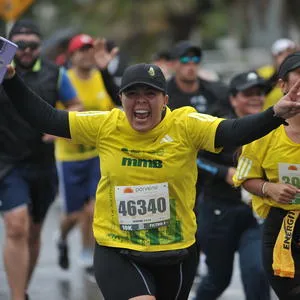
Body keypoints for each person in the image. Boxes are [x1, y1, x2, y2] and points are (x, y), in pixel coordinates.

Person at [3, 61, 300, 300]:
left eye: (150, 94)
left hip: (177, 253)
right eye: (132, 94)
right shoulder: (106, 125)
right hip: (118, 249)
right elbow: (47, 118)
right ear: (121, 99)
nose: (141, 102)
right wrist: (11, 78)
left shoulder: (186, 124)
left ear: (165, 100)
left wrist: (275, 113)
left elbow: (234, 131)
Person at [0, 19, 81, 300]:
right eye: (19, 45)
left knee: (33, 233)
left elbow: (76, 106)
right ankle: (17, 296)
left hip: (42, 163)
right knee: (16, 225)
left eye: (33, 45)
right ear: (10, 45)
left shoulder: (55, 74)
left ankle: (22, 288)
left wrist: (59, 132)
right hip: (7, 162)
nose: (26, 51)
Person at [195, 71, 270, 300]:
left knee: (257, 271)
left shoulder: (273, 125)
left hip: (254, 214)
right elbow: (192, 158)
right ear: (233, 99)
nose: (256, 98)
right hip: (218, 211)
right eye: (248, 93)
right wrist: (223, 172)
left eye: (259, 93)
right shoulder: (216, 126)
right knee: (218, 279)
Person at [233, 52, 300, 300]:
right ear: (282, 84)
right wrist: (269, 189)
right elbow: (244, 177)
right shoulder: (262, 131)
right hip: (282, 230)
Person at [55, 33, 120, 273]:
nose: (86, 55)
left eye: (90, 49)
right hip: (70, 158)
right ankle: (61, 238)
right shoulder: (63, 80)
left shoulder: (103, 80)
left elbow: (116, 112)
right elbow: (53, 114)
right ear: (72, 55)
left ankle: (86, 252)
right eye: (81, 50)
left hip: (97, 155)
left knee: (92, 209)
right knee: (72, 215)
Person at [167, 40, 229, 115]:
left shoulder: (216, 91)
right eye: (185, 60)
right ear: (172, 64)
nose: (191, 65)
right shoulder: (164, 94)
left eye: (196, 59)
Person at [257, 38, 297, 110]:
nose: (287, 56)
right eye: (281, 53)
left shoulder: (297, 74)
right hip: (267, 118)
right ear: (274, 56)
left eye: (291, 53)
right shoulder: (263, 73)